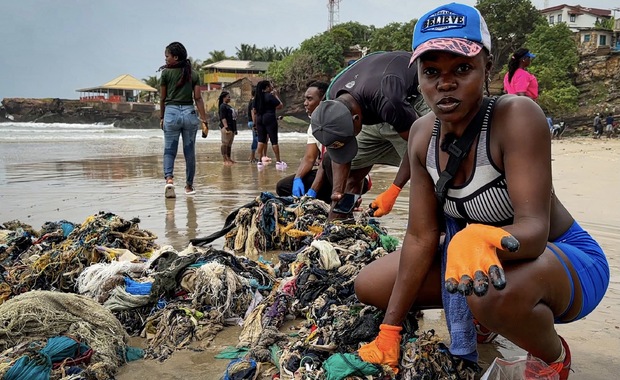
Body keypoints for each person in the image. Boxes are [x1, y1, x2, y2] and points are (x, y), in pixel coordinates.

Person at [353, 4, 609, 380]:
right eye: (431, 72)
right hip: (493, 266)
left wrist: (472, 237)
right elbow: (421, 237)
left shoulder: (516, 117)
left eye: (462, 68)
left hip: (565, 261)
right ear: (418, 79)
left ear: (487, 68)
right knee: (370, 285)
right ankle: (487, 316)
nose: (445, 83)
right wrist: (389, 330)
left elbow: (534, 231)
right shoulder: (423, 135)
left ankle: (552, 355)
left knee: (487, 293)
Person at [310, 51, 424, 217]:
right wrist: (337, 194)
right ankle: (344, 218)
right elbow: (339, 157)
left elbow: (417, 147)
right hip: (372, 109)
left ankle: (439, 233)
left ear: (356, 120)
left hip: (410, 101)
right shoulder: (333, 96)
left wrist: (393, 190)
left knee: (427, 173)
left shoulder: (390, 101)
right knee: (338, 167)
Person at [159, 41, 208, 198]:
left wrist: (162, 117)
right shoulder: (193, 74)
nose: (165, 59)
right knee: (189, 153)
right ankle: (188, 186)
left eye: (167, 56)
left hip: (171, 113)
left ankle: (169, 180)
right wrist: (204, 120)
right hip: (189, 113)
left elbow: (162, 98)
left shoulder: (166, 74)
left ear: (175, 57)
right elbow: (198, 98)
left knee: (169, 150)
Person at [253, 80, 285, 169]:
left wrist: (255, 123)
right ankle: (278, 161)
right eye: (270, 85)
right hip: (270, 118)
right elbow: (280, 106)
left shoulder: (257, 97)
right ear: (267, 87)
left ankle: (259, 161)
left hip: (259, 119)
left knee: (261, 140)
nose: (272, 86)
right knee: (274, 140)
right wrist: (276, 95)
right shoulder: (270, 96)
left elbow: (254, 110)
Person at [218, 91, 237, 165]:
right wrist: (226, 127)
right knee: (225, 143)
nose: (230, 98)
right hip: (226, 127)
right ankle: (224, 159)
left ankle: (229, 158)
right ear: (224, 97)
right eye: (228, 97)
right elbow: (223, 117)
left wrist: (235, 129)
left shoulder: (229, 106)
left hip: (232, 127)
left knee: (229, 144)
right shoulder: (222, 106)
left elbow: (233, 118)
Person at [247, 88, 258, 163]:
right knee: (256, 139)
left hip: (251, 122)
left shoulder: (251, 101)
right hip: (252, 122)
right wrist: (255, 124)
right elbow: (253, 113)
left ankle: (252, 156)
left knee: (255, 139)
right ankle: (252, 157)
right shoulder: (254, 101)